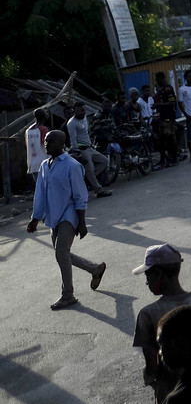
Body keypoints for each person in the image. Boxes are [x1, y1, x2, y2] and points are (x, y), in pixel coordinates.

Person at [132, 244, 191, 404]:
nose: (147, 282)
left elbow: (152, 364)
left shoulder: (147, 314)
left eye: (148, 275)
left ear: (158, 273)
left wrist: (150, 378)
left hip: (171, 392)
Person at [26, 130, 107, 310]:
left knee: (61, 253)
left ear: (62, 143)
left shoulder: (72, 165)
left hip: (69, 216)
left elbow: (80, 196)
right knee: (62, 254)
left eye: (51, 141)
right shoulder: (45, 166)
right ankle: (95, 269)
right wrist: (35, 218)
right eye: (45, 141)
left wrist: (82, 222)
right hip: (53, 216)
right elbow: (39, 194)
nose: (46, 144)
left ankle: (68, 295)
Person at [66, 101, 111, 198]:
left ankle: (88, 179)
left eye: (83, 110)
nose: (82, 112)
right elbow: (73, 139)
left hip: (90, 147)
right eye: (79, 111)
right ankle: (99, 190)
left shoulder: (85, 118)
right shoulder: (72, 123)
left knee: (104, 161)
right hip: (82, 149)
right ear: (74, 111)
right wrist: (78, 153)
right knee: (90, 170)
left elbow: (87, 133)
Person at [153, 73, 182, 169]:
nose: (156, 81)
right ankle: (165, 159)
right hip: (163, 117)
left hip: (168, 118)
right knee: (162, 140)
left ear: (161, 78)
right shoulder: (162, 90)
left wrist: (159, 105)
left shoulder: (168, 89)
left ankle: (174, 158)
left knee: (169, 138)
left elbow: (172, 102)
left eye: (157, 79)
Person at [26, 108, 50, 186]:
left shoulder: (28, 130)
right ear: (45, 116)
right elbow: (46, 143)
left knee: (38, 186)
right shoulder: (43, 129)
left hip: (32, 161)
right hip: (43, 160)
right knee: (46, 185)